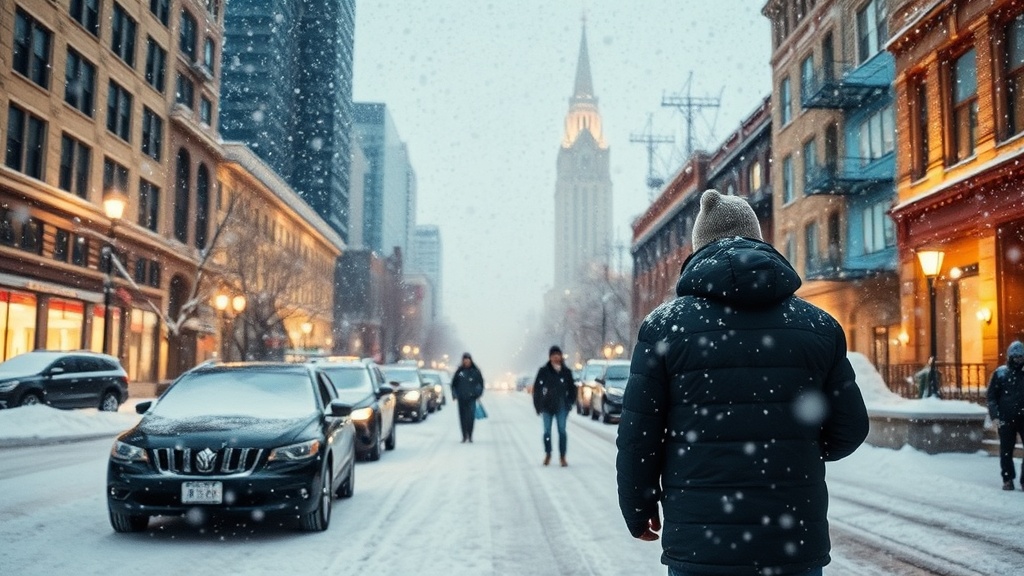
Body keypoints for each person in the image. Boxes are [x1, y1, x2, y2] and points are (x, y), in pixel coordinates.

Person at [616, 189, 869, 576]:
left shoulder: (665, 327)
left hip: (702, 545)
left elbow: (639, 436)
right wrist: (797, 450)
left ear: (700, 247)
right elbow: (851, 427)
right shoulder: (818, 326)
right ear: (758, 240)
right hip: (791, 541)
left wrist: (638, 508)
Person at [986, 340, 1024, 490]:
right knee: (1006, 450)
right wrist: (995, 416)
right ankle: (1007, 479)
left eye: (1021, 357)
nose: (1019, 360)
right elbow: (991, 397)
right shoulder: (1000, 374)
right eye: (1016, 357)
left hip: (1023, 418)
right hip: (1005, 419)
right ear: (1010, 357)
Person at [532, 345, 576, 466]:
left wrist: (570, 403)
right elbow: (537, 389)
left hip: (562, 407)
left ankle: (562, 456)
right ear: (550, 357)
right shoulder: (544, 371)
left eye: (558, 355)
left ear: (561, 357)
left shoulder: (566, 372)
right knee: (547, 432)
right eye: (554, 356)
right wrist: (538, 405)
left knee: (562, 431)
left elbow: (572, 389)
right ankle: (548, 454)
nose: (556, 358)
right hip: (547, 406)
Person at [451, 353, 484, 443]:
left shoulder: (475, 371)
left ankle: (470, 435)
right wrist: (455, 395)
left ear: (470, 360)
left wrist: (478, 393)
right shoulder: (459, 372)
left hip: (471, 398)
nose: (466, 361)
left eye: (468, 359)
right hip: (461, 399)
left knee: (470, 418)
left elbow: (480, 383)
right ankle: (464, 436)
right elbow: (454, 384)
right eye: (464, 360)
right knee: (462, 418)